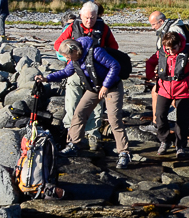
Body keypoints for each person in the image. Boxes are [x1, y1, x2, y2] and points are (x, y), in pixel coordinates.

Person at [35, 38, 131, 169]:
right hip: (94, 88)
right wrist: (47, 78)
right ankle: (73, 144)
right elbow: (66, 72)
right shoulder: (76, 59)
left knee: (114, 119)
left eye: (68, 56)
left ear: (75, 50)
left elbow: (115, 66)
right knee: (79, 113)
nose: (69, 59)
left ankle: (124, 153)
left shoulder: (95, 51)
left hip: (112, 87)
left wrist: (106, 86)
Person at [53, 1, 119, 148]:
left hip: (97, 74)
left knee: (96, 105)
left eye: (93, 18)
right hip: (75, 71)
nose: (89, 21)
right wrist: (69, 55)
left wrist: (102, 57)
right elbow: (58, 45)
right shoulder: (72, 27)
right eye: (86, 18)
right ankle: (71, 134)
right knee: (72, 103)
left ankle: (92, 135)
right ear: (81, 15)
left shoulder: (104, 29)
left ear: (98, 16)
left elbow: (114, 48)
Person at [147, 30, 189, 158]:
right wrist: (150, 75)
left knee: (182, 119)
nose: (171, 51)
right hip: (164, 89)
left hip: (183, 90)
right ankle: (164, 140)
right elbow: (150, 62)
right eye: (168, 49)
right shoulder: (162, 52)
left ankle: (180, 145)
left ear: (179, 44)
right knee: (160, 115)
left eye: (173, 48)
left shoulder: (188, 49)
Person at [144, 11, 189, 135]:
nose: (152, 27)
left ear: (161, 21)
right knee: (166, 97)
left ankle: (158, 124)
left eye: (153, 24)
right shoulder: (166, 29)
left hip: (177, 76)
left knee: (163, 94)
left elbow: (177, 52)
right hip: (170, 73)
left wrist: (166, 68)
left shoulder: (174, 30)